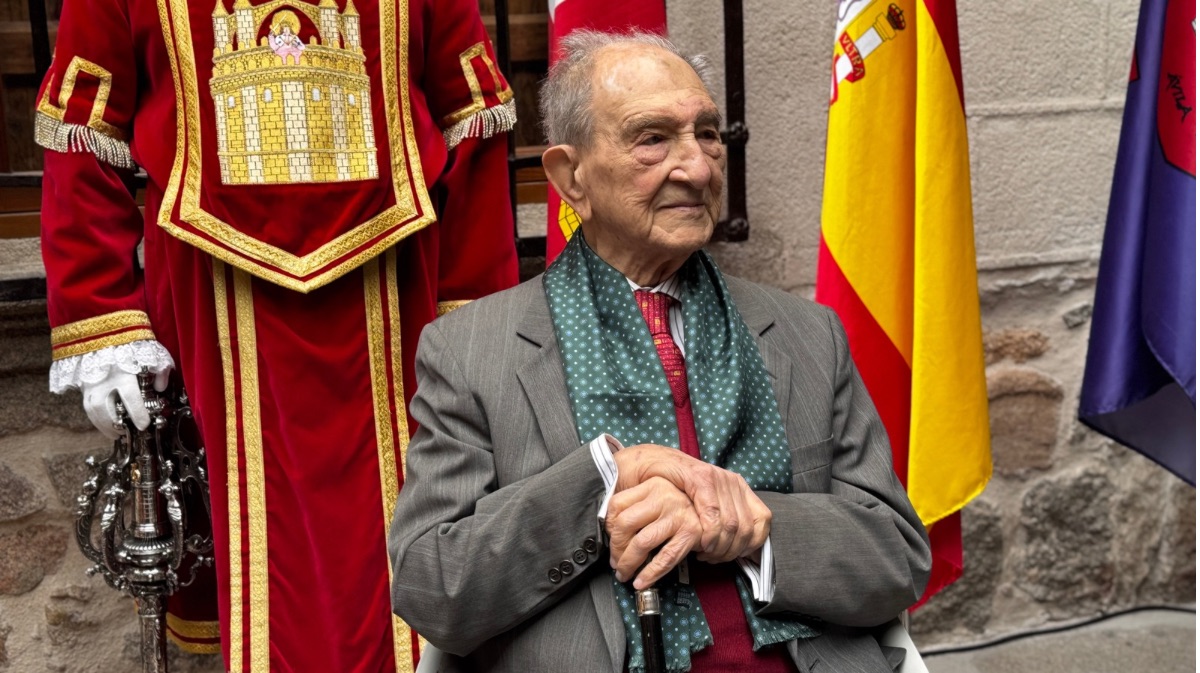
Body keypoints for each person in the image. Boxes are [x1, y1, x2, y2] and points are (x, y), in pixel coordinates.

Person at [388, 30, 931, 673]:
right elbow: (433, 588)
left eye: (707, 134)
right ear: (571, 177)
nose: (698, 167)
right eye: (653, 139)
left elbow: (899, 559)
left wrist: (758, 528)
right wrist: (605, 483)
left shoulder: (808, 335)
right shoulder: (473, 350)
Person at [35, 0, 518, 670]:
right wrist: (103, 318)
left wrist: (477, 315)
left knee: (421, 546)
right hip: (214, 302)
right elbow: (83, 128)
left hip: (396, 301)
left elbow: (472, 120)